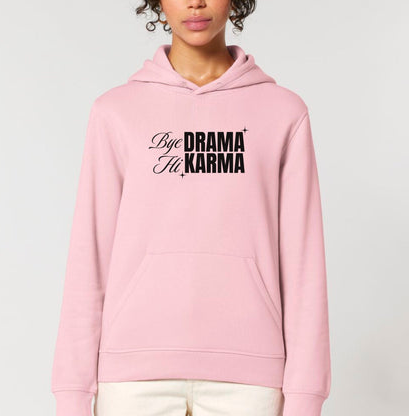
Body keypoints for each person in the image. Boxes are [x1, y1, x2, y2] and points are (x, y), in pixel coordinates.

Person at [50, 1, 331, 415]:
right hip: (133, 375)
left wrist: (306, 395)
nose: (195, 2)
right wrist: (72, 393)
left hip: (249, 378)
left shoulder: (283, 112)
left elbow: (304, 265)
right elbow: (89, 255)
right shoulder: (116, 111)